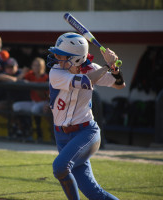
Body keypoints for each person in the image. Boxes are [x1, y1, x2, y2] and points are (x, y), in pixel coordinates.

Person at [47, 32, 125, 200]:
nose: (56, 57)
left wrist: (114, 68)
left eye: (62, 55)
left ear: (76, 59)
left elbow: (119, 84)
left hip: (86, 133)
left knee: (60, 166)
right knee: (93, 193)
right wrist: (107, 65)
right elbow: (85, 81)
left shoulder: (92, 68)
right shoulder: (56, 72)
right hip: (62, 136)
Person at [12, 57, 49, 141]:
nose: (36, 67)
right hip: (33, 102)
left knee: (35, 109)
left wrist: (33, 86)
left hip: (44, 102)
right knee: (16, 106)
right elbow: (17, 81)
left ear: (43, 67)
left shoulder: (46, 77)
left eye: (38, 65)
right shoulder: (30, 74)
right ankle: (22, 129)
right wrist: (23, 73)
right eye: (34, 65)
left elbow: (46, 96)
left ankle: (37, 132)